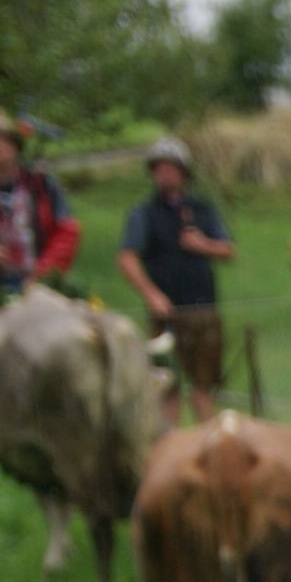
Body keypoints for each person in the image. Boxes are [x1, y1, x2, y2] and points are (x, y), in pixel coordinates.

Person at [118, 135, 234, 423]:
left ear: (183, 173)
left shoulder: (203, 210)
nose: (164, 174)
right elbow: (127, 257)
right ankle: (171, 442)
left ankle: (208, 440)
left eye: (170, 168)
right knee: (167, 386)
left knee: (204, 387)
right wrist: (151, 295)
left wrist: (203, 244)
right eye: (159, 169)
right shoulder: (143, 213)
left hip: (203, 310)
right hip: (165, 313)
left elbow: (227, 250)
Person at [0, 109, 79, 313]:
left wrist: (43, 272)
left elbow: (67, 232)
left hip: (38, 281)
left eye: (4, 142)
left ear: (16, 146)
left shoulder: (41, 184)